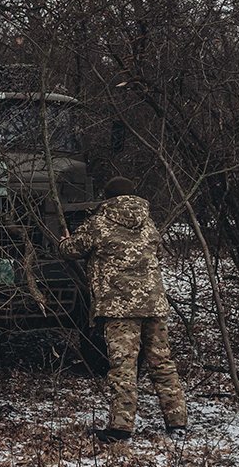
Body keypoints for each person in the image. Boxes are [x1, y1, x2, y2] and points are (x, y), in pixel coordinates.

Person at [59, 176, 188, 443]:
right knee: (162, 363)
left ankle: (121, 427)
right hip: (154, 304)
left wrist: (64, 241)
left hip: (119, 308)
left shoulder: (98, 223)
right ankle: (177, 423)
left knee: (123, 368)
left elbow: (71, 250)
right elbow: (158, 254)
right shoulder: (148, 223)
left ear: (107, 197)